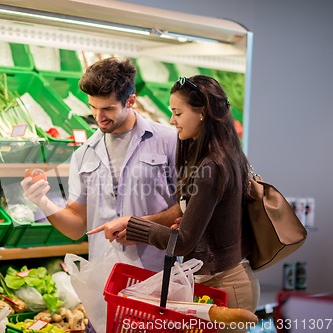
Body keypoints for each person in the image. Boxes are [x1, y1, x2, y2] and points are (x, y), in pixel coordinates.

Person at [89, 75, 260, 333]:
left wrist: (134, 226)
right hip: (216, 282)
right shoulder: (222, 154)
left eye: (178, 113)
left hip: (227, 287)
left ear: (201, 113)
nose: (172, 121)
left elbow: (183, 242)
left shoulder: (212, 166)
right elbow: (201, 217)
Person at [21, 57, 177, 272]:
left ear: (130, 101)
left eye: (108, 109)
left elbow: (188, 208)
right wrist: (43, 202)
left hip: (158, 272)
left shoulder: (169, 140)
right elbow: (77, 226)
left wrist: (140, 228)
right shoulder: (84, 154)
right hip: (104, 274)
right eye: (93, 107)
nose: (98, 117)